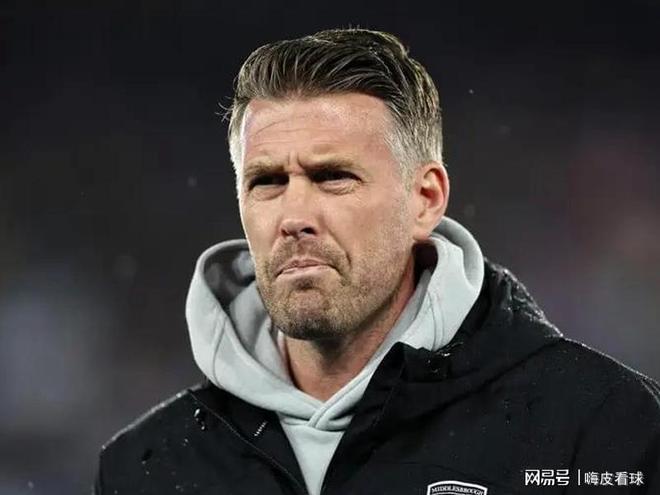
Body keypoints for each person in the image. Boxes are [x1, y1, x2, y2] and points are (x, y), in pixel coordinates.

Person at [95, 29, 660, 495]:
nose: (294, 216)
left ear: (425, 199)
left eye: (332, 177)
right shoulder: (142, 469)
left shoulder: (601, 428)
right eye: (266, 182)